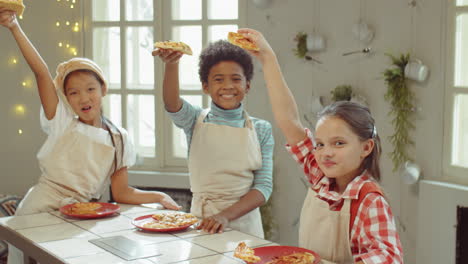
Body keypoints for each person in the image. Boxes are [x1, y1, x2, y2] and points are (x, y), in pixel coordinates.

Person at [0, 8, 181, 264]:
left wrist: (159, 196)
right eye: (73, 93)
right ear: (66, 98)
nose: (84, 98)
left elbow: (122, 192)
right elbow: (41, 72)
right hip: (40, 207)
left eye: (90, 89)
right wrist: (14, 26)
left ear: (103, 89)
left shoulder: (119, 138)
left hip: (79, 213)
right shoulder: (62, 122)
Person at [238, 28, 403, 263]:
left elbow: (389, 259)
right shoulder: (319, 177)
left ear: (366, 148)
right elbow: (289, 120)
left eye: (339, 143)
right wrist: (267, 57)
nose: (326, 153)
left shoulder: (369, 201)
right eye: (320, 144)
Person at [152, 39, 274, 238]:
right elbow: (172, 103)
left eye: (236, 79)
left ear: (248, 85)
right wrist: (172, 64)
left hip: (246, 226)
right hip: (203, 222)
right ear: (205, 86)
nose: (228, 86)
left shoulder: (261, 129)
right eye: (218, 79)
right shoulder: (195, 120)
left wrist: (224, 216)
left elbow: (263, 187)